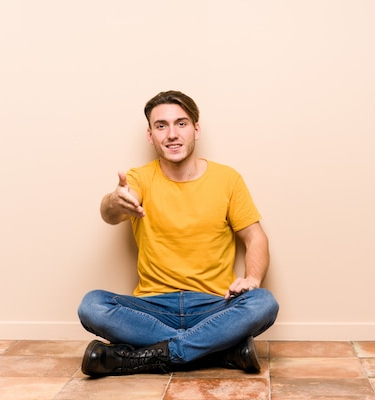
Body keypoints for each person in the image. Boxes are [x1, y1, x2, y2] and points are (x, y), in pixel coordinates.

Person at [77, 90, 279, 377]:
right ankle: (219, 350)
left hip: (215, 304)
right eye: (162, 126)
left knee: (264, 303)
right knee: (92, 305)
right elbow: (111, 212)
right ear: (151, 135)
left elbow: (255, 236)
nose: (172, 133)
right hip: (152, 307)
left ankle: (151, 355)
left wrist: (253, 279)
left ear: (196, 129)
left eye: (181, 123)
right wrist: (114, 201)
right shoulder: (140, 178)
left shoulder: (227, 179)